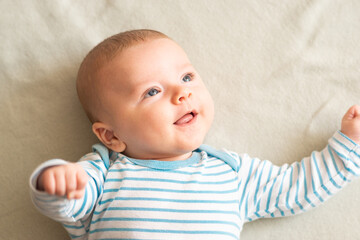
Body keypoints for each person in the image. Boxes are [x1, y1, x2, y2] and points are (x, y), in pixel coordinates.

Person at [30, 29, 360, 240]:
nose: (181, 94)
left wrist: (349, 145)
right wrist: (56, 181)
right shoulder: (103, 172)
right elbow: (69, 200)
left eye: (187, 77)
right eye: (152, 91)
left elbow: (295, 188)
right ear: (111, 136)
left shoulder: (230, 173)